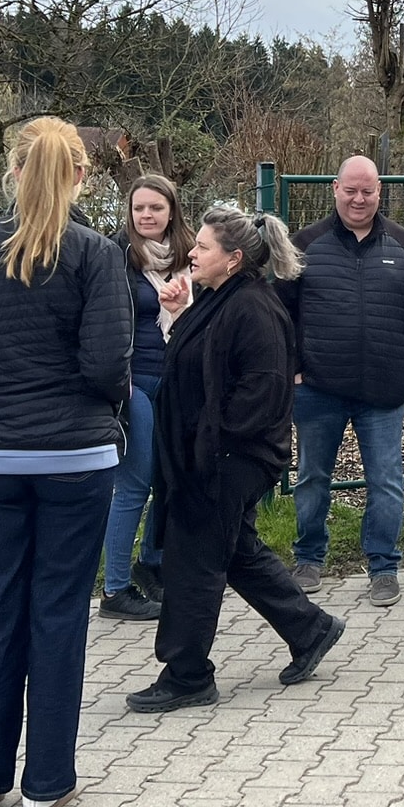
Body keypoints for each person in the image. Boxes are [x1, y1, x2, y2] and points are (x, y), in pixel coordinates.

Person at [0, 117, 133, 807]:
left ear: (13, 172)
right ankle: (46, 783)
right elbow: (107, 364)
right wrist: (103, 407)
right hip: (77, 457)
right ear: (81, 175)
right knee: (58, 613)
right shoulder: (96, 253)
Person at [127, 205, 345, 713]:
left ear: (233, 259)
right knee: (236, 550)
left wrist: (213, 445)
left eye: (203, 247)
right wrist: (177, 315)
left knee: (194, 560)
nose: (192, 253)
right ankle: (310, 629)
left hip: (229, 459)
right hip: (207, 455)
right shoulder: (216, 298)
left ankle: (187, 676)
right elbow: (197, 364)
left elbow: (260, 394)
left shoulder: (255, 308)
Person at [282, 156, 404, 608]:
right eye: (350, 190)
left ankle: (384, 567)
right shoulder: (304, 244)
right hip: (317, 389)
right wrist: (294, 365)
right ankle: (308, 559)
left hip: (383, 390)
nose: (358, 199)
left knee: (386, 482)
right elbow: (279, 310)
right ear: (335, 189)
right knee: (312, 478)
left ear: (379, 191)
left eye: (367, 191)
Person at [99, 175, 194, 620]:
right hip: (134, 383)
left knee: (171, 479)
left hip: (178, 381)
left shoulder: (191, 255)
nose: (146, 215)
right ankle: (115, 589)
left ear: (171, 211)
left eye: (155, 207)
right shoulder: (116, 256)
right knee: (134, 484)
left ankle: (152, 564)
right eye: (139, 208)